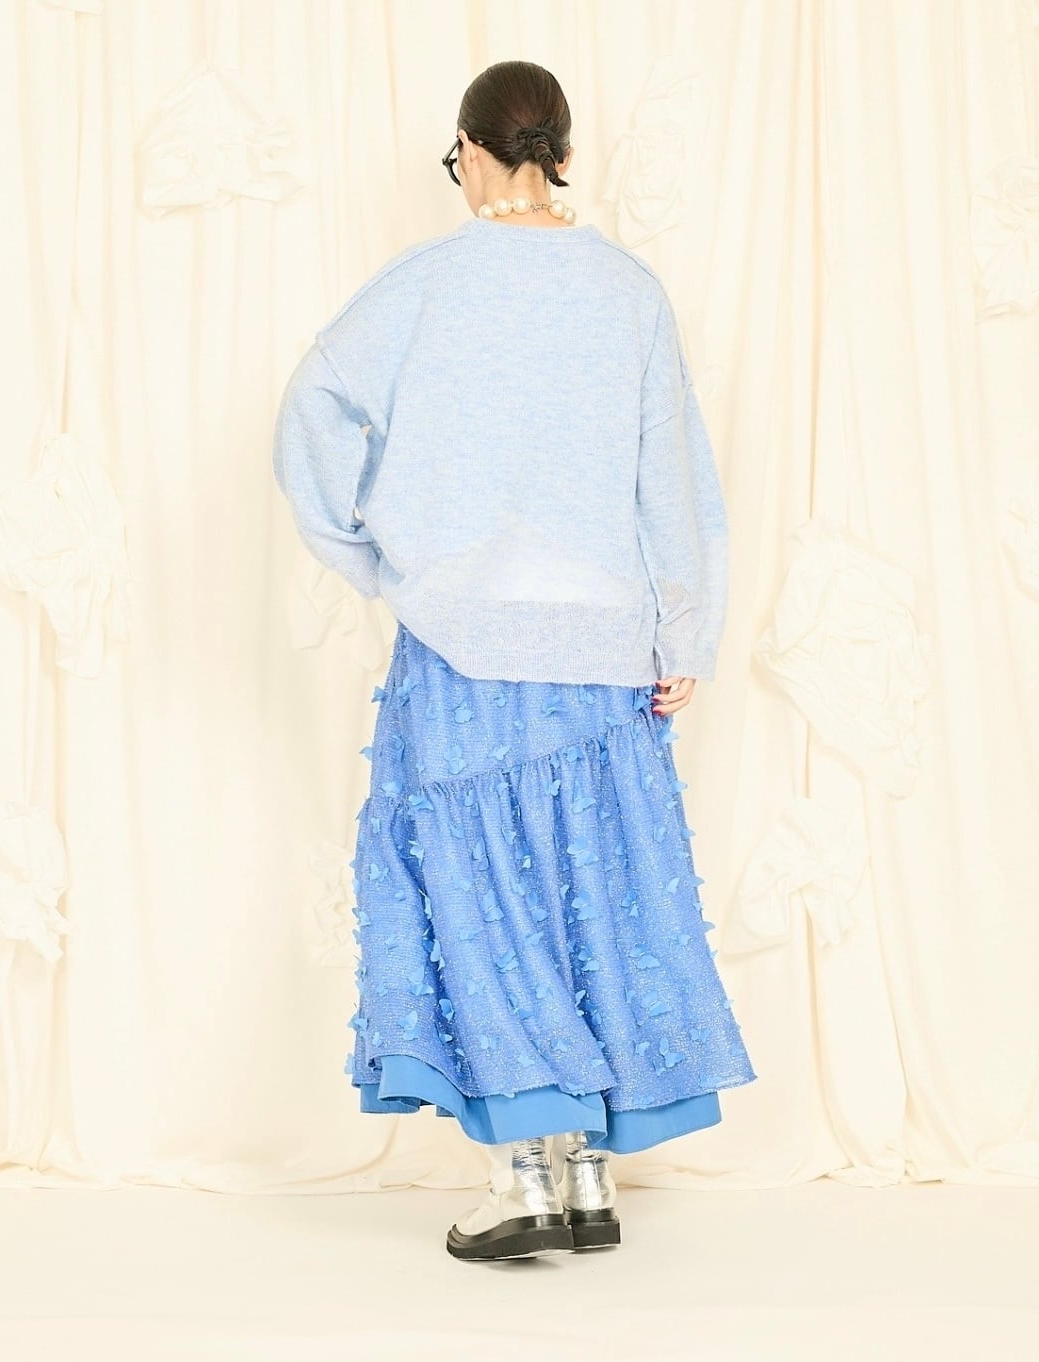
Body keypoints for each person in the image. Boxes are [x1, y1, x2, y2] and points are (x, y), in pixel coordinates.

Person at [272, 59, 757, 1262]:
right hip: (603, 650)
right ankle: (586, 1172)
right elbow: (673, 481)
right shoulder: (629, 293)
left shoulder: (426, 285)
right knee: (590, 887)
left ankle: (526, 1177)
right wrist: (683, 631)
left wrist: (372, 555)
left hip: (465, 642)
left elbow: (313, 407)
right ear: (563, 152)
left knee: (480, 891)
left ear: (473, 152)